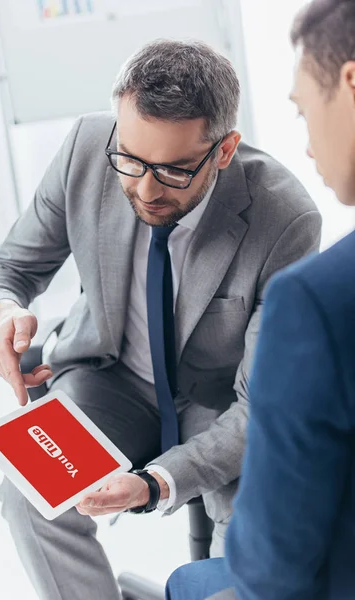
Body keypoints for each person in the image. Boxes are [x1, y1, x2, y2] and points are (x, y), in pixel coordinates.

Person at [0, 40, 321, 600]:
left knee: (246, 568)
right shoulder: (89, 147)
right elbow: (8, 267)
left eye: (175, 170)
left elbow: (263, 403)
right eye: (131, 160)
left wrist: (154, 484)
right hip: (109, 379)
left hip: (221, 404)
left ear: (225, 150)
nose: (145, 187)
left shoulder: (285, 219)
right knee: (29, 496)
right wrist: (2, 311)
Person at [166, 2, 355, 599]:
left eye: (304, 111)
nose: (306, 146)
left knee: (187, 584)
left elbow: (274, 567)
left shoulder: (318, 300)